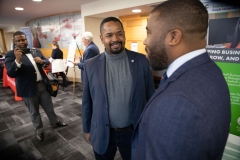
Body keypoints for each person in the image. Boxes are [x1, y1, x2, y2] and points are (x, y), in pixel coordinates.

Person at [131, 0, 231, 160]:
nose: (145, 41)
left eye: (149, 32)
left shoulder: (176, 103)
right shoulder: (211, 70)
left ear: (174, 36)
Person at [82, 17, 155, 160]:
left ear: (124, 34)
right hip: (103, 131)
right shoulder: (90, 65)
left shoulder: (142, 61)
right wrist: (87, 128)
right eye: (109, 35)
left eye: (119, 33)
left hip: (133, 132)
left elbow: (151, 98)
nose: (115, 39)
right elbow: (87, 101)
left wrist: (151, 128)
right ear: (101, 38)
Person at [5, 31, 68, 142]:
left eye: (23, 39)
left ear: (26, 40)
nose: (21, 42)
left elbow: (47, 62)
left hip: (42, 85)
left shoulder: (35, 51)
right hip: (27, 89)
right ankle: (39, 130)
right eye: (18, 40)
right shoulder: (10, 55)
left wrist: (42, 61)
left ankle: (54, 122)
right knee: (34, 111)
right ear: (14, 42)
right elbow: (11, 73)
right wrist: (18, 61)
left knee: (49, 106)